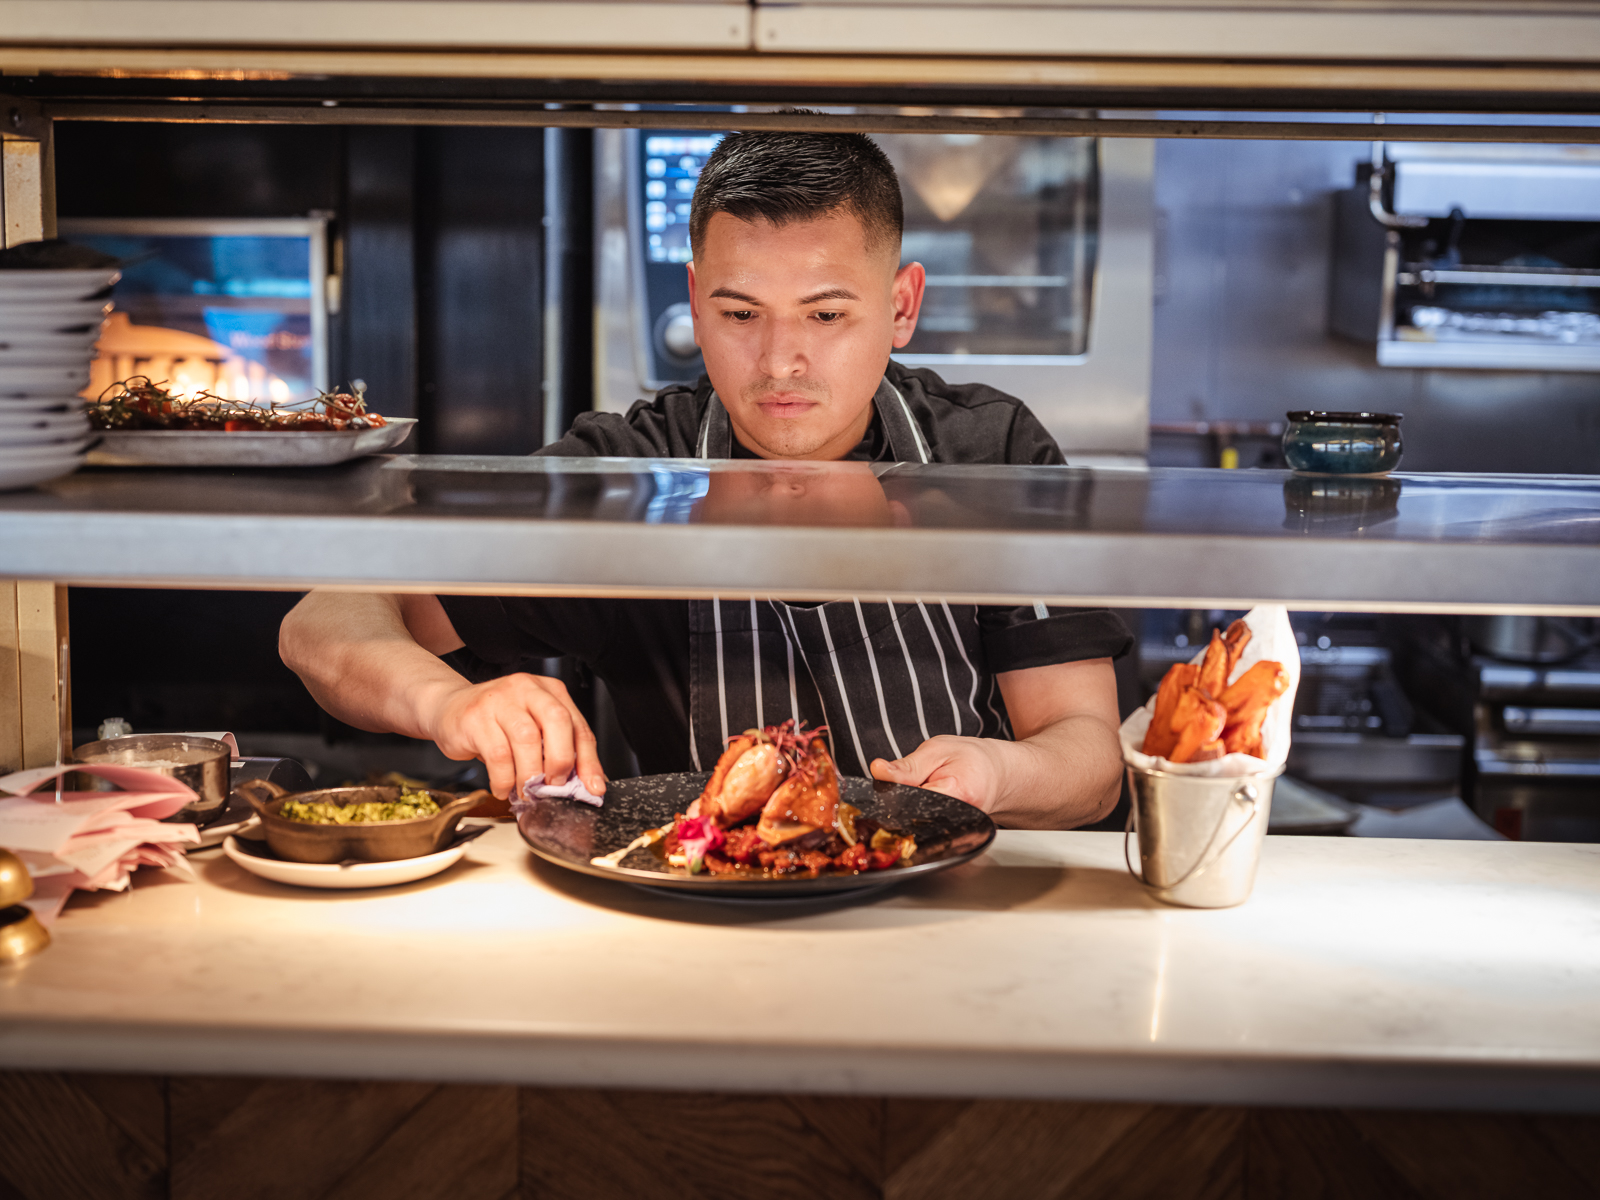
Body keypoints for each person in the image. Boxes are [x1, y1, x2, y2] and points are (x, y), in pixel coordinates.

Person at [280, 125, 1131, 830]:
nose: (780, 362)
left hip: (956, 906)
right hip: (695, 911)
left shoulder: (993, 452)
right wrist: (449, 706)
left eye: (828, 314)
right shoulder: (628, 474)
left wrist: (995, 772)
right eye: (739, 314)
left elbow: (1087, 765)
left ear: (902, 305)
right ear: (695, 300)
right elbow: (325, 620)